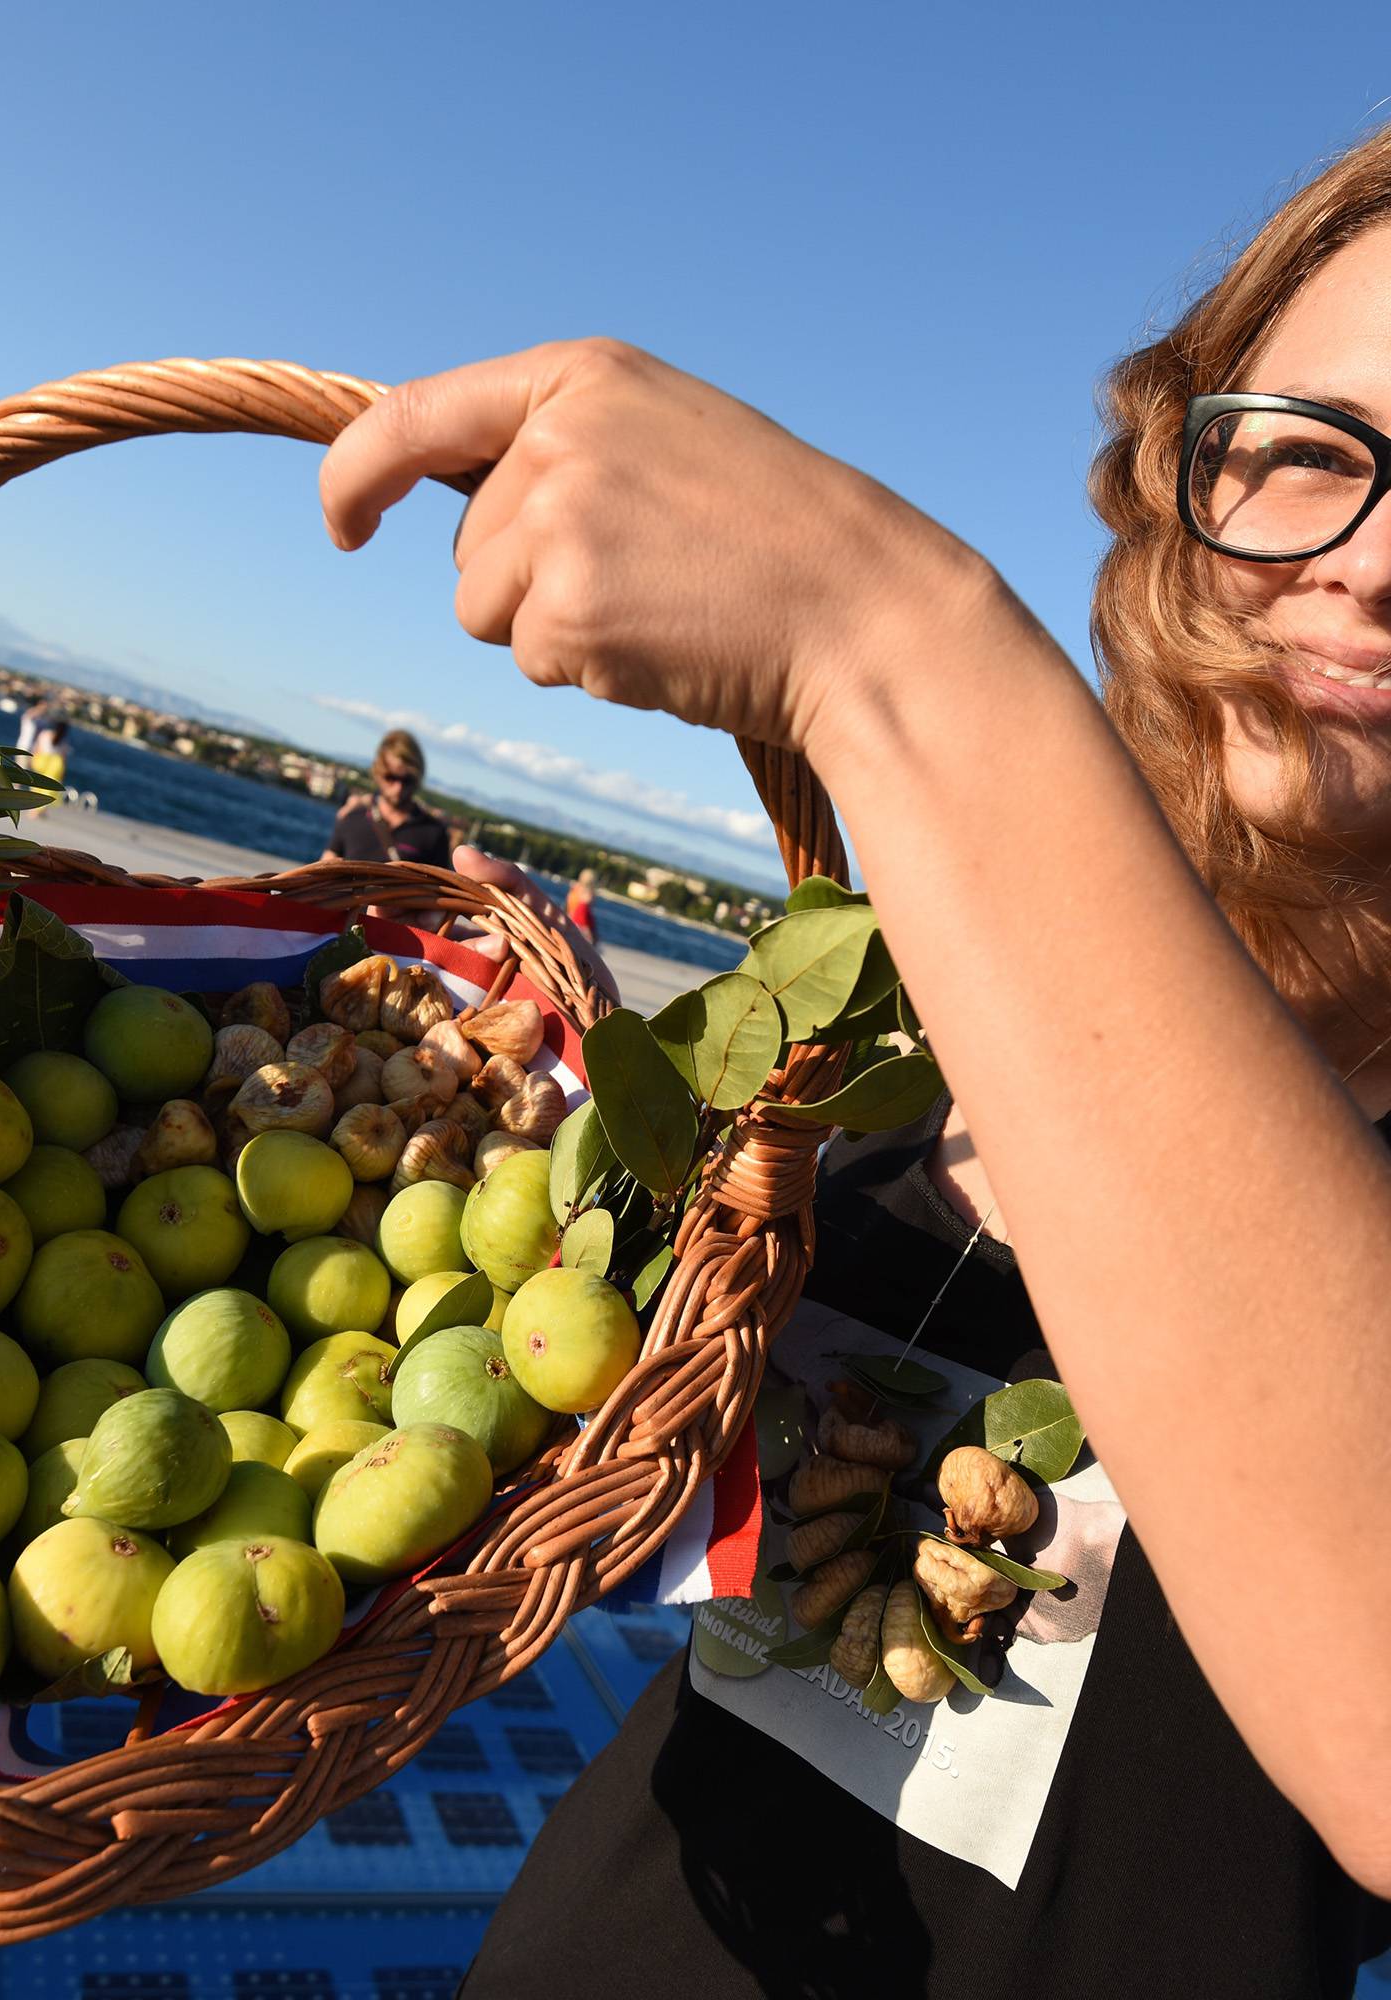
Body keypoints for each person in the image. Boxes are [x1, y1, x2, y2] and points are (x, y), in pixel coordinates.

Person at [319, 123, 1391, 1998]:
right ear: (1188, 474)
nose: (1369, 564)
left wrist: (897, 640)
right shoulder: (930, 1001)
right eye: (1316, 448)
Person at [321, 726, 455, 869]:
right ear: (378, 773)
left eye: (407, 780)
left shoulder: (434, 833)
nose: (399, 787)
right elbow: (325, 866)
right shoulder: (351, 817)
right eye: (391, 778)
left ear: (418, 778)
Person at [565, 865, 598, 944]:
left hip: (569, 920)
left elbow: (568, 907)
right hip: (579, 925)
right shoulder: (586, 893)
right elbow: (582, 915)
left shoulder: (574, 889)